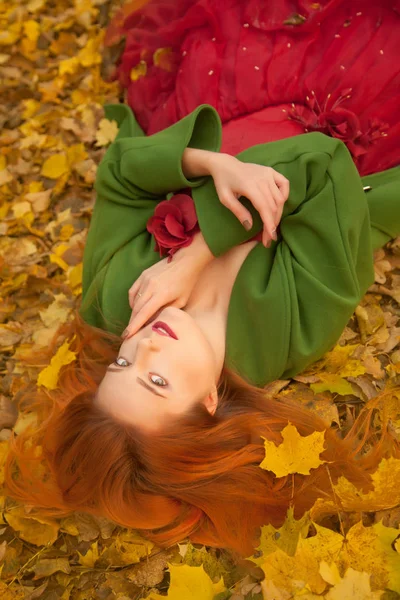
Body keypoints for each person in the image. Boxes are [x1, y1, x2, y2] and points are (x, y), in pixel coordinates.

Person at [4, 0, 400, 558]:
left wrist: (207, 165)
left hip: (228, 92)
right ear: (211, 400)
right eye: (158, 381)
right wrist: (203, 247)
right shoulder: (293, 330)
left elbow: (120, 173)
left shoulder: (119, 301)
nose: (141, 347)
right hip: (337, 106)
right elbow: (323, 165)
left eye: (121, 364)